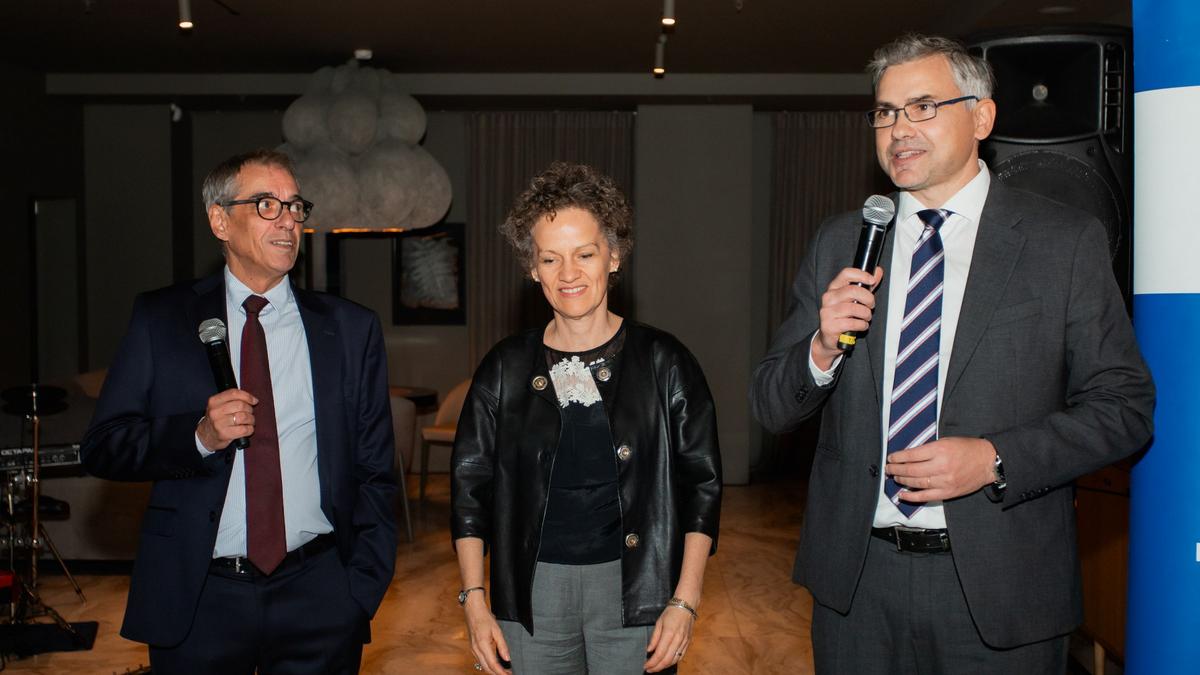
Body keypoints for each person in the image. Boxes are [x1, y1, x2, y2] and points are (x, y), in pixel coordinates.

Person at [751, 34, 1154, 674]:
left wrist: (994, 459)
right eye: (885, 112)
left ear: (982, 117)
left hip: (1002, 591)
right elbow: (772, 407)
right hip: (858, 589)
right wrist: (821, 348)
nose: (898, 129)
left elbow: (1124, 409)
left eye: (923, 106)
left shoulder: (1062, 242)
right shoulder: (842, 242)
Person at [82, 149, 397, 674]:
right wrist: (199, 436)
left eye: (295, 206)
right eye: (267, 204)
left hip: (319, 593)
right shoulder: (162, 319)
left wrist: (358, 590)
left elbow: (376, 470)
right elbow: (103, 446)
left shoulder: (349, 328)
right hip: (199, 595)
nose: (288, 220)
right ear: (220, 221)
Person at [451, 162, 722, 675]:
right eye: (550, 258)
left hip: (635, 587)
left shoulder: (665, 361)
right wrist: (475, 599)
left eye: (585, 254)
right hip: (532, 593)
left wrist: (684, 601)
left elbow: (702, 487)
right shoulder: (504, 367)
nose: (568, 273)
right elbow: (470, 489)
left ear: (613, 256)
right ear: (532, 268)